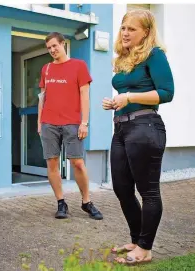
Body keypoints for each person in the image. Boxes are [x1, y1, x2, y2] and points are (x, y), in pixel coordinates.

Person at [102, 9, 174, 265]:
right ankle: (135, 238)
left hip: (145, 127)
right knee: (122, 188)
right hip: (121, 128)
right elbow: (129, 92)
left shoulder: (155, 55)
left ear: (146, 32)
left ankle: (146, 247)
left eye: (132, 29)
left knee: (148, 191)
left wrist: (130, 97)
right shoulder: (125, 59)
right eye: (123, 27)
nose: (125, 32)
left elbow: (166, 92)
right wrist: (116, 103)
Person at [38, 32, 103, 220]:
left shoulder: (79, 66)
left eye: (54, 46)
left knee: (78, 163)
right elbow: (43, 97)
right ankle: (61, 202)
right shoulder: (47, 69)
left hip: (72, 123)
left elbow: (85, 96)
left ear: (63, 44)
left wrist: (84, 123)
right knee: (52, 163)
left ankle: (86, 202)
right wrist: (39, 123)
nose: (52, 50)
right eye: (49, 48)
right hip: (49, 123)